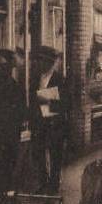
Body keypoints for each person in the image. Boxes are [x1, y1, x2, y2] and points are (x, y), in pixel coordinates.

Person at [0, 49, 25, 203]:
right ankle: (1, 194)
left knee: (4, 160)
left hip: (6, 129)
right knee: (3, 160)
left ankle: (3, 193)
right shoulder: (0, 80)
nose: (10, 67)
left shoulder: (5, 80)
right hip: (3, 129)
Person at [29, 46, 69, 194]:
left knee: (55, 156)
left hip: (55, 124)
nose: (39, 65)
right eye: (39, 62)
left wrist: (48, 102)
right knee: (39, 154)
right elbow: (33, 102)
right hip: (39, 124)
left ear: (50, 63)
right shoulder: (35, 78)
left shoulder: (60, 79)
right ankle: (42, 184)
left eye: (43, 62)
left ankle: (53, 186)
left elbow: (66, 104)